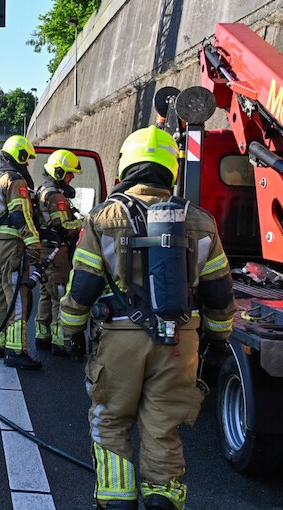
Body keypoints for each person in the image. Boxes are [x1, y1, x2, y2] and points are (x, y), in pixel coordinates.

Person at [58, 126, 235, 510]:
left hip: (120, 338)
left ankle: (118, 499)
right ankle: (161, 499)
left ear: (126, 168)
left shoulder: (102, 219)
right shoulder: (201, 222)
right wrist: (218, 340)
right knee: (163, 426)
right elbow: (220, 293)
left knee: (110, 419)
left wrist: (69, 330)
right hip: (180, 342)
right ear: (170, 170)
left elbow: (83, 286)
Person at [0, 135, 42, 370]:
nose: (27, 165)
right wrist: (33, 243)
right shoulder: (15, 180)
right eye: (26, 159)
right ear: (19, 156)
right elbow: (20, 214)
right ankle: (16, 351)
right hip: (10, 244)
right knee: (17, 295)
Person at [34, 149, 85, 356]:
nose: (71, 178)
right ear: (58, 172)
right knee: (60, 296)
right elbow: (63, 226)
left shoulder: (42, 191)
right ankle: (60, 341)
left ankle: (42, 336)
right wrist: (84, 223)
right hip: (57, 252)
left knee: (46, 293)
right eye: (69, 173)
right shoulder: (55, 196)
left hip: (44, 249)